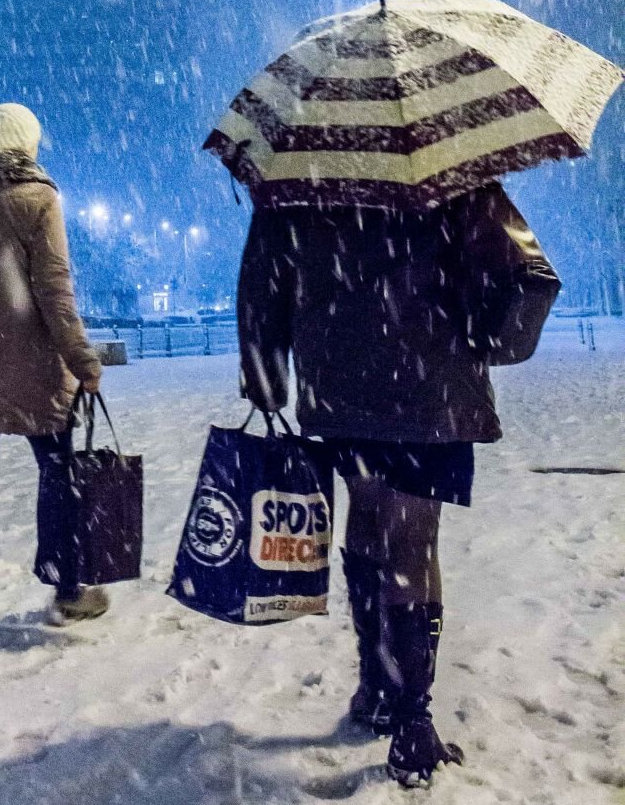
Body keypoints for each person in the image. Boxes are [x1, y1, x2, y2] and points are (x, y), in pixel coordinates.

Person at [237, 181, 559, 786]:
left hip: (340, 385)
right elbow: (520, 272)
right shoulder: (449, 168)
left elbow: (262, 283)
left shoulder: (298, 178)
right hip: (430, 385)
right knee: (413, 543)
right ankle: (412, 719)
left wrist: (265, 375)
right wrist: (483, 328)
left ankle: (377, 685)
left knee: (368, 518)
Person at [0, 102, 108, 649]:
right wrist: (83, 360)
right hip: (34, 368)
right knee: (58, 476)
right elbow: (55, 293)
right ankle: (65, 587)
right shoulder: (39, 199)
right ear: (26, 144)